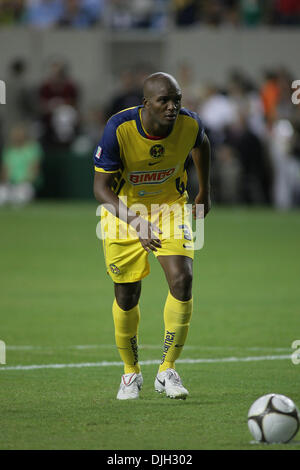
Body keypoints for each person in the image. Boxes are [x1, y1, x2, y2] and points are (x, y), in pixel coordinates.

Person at [93, 72, 211, 400]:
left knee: (182, 280)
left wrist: (204, 190)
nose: (173, 107)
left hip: (170, 206)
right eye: (164, 101)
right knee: (127, 295)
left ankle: (167, 370)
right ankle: (131, 373)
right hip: (123, 212)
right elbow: (100, 189)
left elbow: (202, 143)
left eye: (177, 100)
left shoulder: (190, 123)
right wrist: (137, 223)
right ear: (146, 103)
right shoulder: (119, 128)